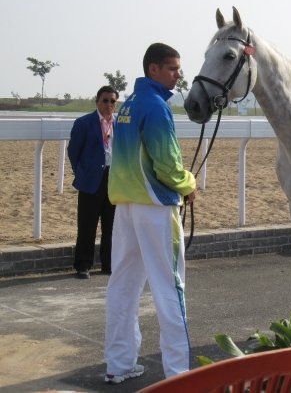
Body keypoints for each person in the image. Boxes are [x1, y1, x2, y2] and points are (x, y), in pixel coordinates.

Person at [104, 43, 196, 383]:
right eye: (172, 68)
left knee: (123, 287)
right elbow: (169, 168)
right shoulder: (157, 107)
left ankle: (118, 364)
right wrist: (189, 183)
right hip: (156, 209)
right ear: (153, 69)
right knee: (170, 288)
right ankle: (179, 375)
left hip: (126, 209)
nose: (177, 75)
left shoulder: (128, 104)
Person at [67, 85, 118, 279]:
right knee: (87, 225)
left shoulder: (119, 124)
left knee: (111, 225)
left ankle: (108, 264)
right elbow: (73, 152)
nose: (108, 105)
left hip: (113, 179)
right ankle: (83, 265)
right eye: (105, 100)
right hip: (91, 180)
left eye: (112, 101)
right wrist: (81, 173)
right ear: (97, 101)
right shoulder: (84, 123)